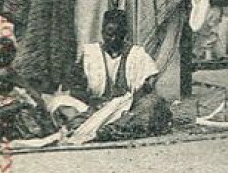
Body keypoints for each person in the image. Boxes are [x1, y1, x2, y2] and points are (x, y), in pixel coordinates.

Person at [68, 8, 172, 143]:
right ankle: (98, 128)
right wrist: (94, 104)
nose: (113, 39)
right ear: (102, 32)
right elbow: (76, 88)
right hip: (94, 109)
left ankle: (111, 130)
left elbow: (148, 86)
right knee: (61, 104)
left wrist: (123, 103)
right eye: (109, 34)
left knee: (153, 103)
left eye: (119, 35)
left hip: (126, 110)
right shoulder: (90, 54)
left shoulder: (137, 54)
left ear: (125, 34)